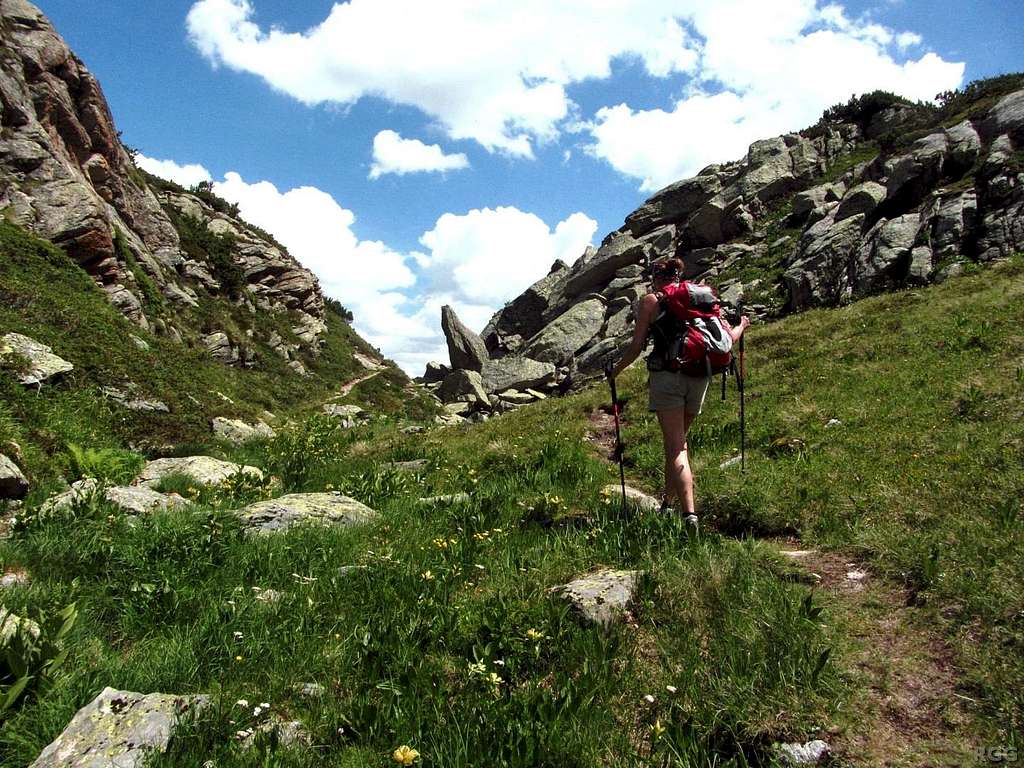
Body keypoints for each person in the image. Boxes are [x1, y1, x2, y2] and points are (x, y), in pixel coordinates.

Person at [605, 257, 749, 526]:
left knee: (676, 447)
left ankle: (689, 515)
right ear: (678, 276)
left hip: (668, 377)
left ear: (656, 277)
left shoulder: (651, 301)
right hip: (700, 375)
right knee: (676, 443)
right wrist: (742, 325)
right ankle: (667, 504)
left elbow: (636, 347)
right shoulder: (702, 298)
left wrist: (616, 372)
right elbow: (727, 338)